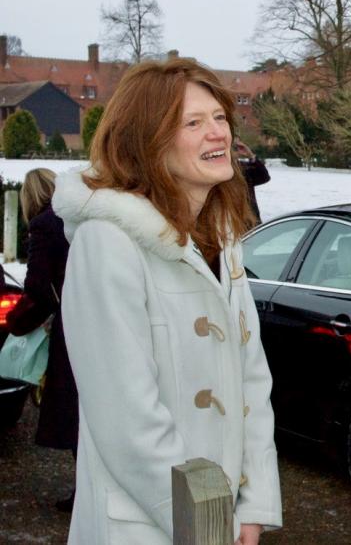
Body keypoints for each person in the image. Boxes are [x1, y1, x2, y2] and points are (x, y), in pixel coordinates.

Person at [52, 59, 282, 545]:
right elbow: (127, 420)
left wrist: (254, 504)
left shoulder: (223, 240)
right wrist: (205, 525)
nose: (217, 133)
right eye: (193, 123)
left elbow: (252, 384)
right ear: (146, 142)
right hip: (147, 526)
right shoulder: (107, 242)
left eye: (219, 117)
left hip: (223, 520)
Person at [6, 168, 77, 512]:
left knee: (75, 409)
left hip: (73, 325)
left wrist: (27, 320)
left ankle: (86, 493)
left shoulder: (41, 226)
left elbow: (36, 286)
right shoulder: (76, 219)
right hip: (99, 315)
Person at [233, 136, 270, 225]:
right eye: (234, 147)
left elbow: (264, 177)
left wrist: (251, 156)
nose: (237, 150)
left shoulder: (244, 167)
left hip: (251, 221)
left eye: (239, 147)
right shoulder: (216, 172)